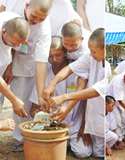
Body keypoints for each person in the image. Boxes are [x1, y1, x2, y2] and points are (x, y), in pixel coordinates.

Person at [43, 28, 105, 158]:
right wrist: (52, 83)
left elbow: (94, 91)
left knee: (96, 153)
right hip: (91, 111)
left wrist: (65, 99)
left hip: (98, 109)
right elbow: (69, 68)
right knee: (96, 151)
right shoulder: (90, 57)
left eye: (93, 51)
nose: (91, 54)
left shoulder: (107, 67)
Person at [0, 0, 52, 151]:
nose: (36, 22)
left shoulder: (41, 30)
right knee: (15, 97)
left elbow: (41, 61)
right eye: (34, 17)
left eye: (42, 19)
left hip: (12, 62)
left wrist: (40, 95)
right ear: (27, 6)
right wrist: (14, 99)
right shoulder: (9, 15)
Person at [29, 36, 91, 158]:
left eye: (58, 55)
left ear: (66, 53)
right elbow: (33, 107)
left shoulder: (77, 70)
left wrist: (84, 125)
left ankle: (67, 140)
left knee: (83, 153)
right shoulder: (44, 74)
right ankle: (61, 142)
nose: (54, 59)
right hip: (51, 124)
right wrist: (37, 113)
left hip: (75, 123)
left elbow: (87, 100)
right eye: (50, 56)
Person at [0, 12, 30, 153]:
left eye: (20, 43)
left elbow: (12, 48)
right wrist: (14, 100)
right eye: (14, 43)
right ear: (3, 31)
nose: (17, 46)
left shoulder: (14, 22)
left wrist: (8, 67)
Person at [107, 69, 125, 148]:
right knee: (118, 121)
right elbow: (119, 100)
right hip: (113, 102)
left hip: (123, 100)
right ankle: (118, 141)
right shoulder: (118, 81)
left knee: (124, 120)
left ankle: (122, 137)